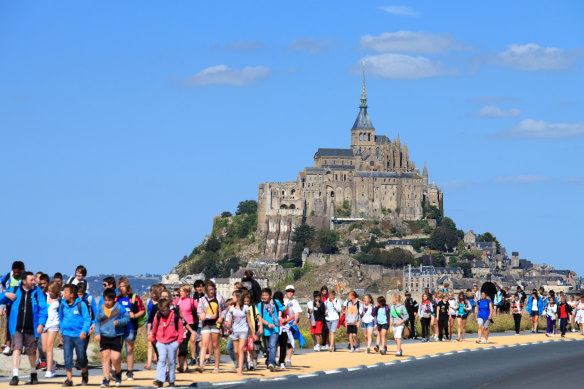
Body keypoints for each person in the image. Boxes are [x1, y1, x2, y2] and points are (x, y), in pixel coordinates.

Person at [0, 271, 47, 386]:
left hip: (31, 327)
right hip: (17, 327)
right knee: (17, 349)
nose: (34, 282)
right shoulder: (15, 290)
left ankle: (33, 373)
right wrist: (5, 295)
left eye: (34, 280)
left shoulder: (37, 292)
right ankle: (15, 375)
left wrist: (41, 323)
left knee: (31, 352)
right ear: (24, 281)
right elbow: (1, 299)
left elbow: (43, 309)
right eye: (31, 280)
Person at [95, 288, 130, 387]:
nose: (107, 302)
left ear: (114, 299)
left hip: (117, 336)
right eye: (106, 300)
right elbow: (97, 321)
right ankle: (105, 379)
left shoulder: (120, 308)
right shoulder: (101, 308)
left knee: (115, 358)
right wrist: (97, 333)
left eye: (109, 300)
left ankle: (118, 373)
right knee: (105, 358)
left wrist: (119, 322)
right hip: (104, 336)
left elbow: (127, 319)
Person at [59, 283, 91, 386]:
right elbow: (60, 317)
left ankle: (84, 372)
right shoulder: (62, 304)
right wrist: (62, 329)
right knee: (67, 357)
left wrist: (84, 331)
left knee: (81, 357)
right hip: (67, 335)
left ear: (72, 295)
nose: (64, 294)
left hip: (79, 335)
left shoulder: (81, 305)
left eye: (66, 292)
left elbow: (87, 319)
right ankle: (69, 379)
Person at [115, 277, 145, 380]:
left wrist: (135, 316)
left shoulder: (134, 298)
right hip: (119, 327)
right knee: (117, 350)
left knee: (130, 349)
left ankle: (130, 371)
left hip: (131, 327)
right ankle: (117, 371)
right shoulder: (117, 298)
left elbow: (142, 310)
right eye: (120, 286)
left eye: (123, 286)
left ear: (127, 286)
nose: (121, 288)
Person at [151, 298, 183, 388]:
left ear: (169, 307)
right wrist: (153, 338)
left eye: (164, 311)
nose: (163, 313)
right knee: (161, 360)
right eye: (161, 311)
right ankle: (160, 380)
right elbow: (154, 327)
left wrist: (178, 342)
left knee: (172, 362)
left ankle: (171, 380)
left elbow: (180, 329)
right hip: (160, 341)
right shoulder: (158, 315)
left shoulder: (175, 316)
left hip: (172, 342)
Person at [196, 280, 226, 374]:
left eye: (212, 289)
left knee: (215, 345)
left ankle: (216, 367)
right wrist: (207, 316)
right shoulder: (202, 299)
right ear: (206, 290)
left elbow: (224, 309)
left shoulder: (219, 297)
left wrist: (221, 317)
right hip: (205, 324)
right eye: (209, 290)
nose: (211, 291)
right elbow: (199, 312)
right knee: (204, 344)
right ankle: (201, 365)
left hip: (215, 324)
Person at [226, 290, 253, 376]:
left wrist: (252, 332)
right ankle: (240, 365)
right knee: (236, 351)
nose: (232, 298)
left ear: (238, 298)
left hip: (243, 331)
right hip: (235, 331)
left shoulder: (245, 308)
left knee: (241, 350)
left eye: (233, 296)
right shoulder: (231, 308)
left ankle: (240, 370)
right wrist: (227, 324)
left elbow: (249, 321)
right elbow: (230, 321)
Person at [1, 260, 25, 357]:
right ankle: (8, 345)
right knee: (8, 325)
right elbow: (3, 285)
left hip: (21, 305)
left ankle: (21, 344)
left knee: (21, 325)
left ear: (22, 271)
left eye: (17, 273)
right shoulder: (7, 277)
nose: (15, 274)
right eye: (14, 272)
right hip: (10, 304)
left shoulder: (24, 278)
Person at [256, 288, 282, 372]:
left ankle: (271, 363)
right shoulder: (260, 305)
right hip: (265, 329)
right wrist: (267, 324)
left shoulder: (275, 303)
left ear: (270, 295)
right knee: (267, 348)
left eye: (266, 295)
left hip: (275, 328)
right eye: (263, 295)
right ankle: (269, 362)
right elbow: (259, 317)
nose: (264, 297)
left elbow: (283, 308)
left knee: (272, 345)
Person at [175, 284, 198, 373]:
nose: (180, 293)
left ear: (187, 292)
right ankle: (181, 364)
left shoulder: (191, 301)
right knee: (179, 345)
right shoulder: (177, 301)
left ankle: (184, 365)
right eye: (180, 291)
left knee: (184, 344)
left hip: (189, 324)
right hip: (179, 324)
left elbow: (199, 309)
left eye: (182, 291)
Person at [42, 281, 61, 378]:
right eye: (49, 290)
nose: (50, 292)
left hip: (54, 324)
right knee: (44, 349)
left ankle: (49, 370)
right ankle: (52, 363)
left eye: (52, 291)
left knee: (49, 347)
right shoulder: (45, 296)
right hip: (44, 324)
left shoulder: (59, 300)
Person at [282, 285, 303, 364]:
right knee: (282, 342)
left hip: (290, 323)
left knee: (289, 341)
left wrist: (295, 321)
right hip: (282, 323)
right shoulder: (282, 300)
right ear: (286, 292)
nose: (290, 293)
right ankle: (281, 359)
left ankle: (289, 359)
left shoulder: (295, 302)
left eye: (292, 291)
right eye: (288, 291)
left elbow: (297, 312)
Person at [145, 284, 161, 371]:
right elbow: (148, 312)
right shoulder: (148, 301)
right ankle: (149, 363)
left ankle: (158, 359)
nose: (153, 294)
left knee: (158, 344)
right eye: (152, 292)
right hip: (150, 324)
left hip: (158, 325)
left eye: (155, 292)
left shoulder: (161, 302)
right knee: (150, 343)